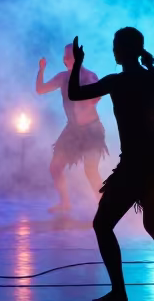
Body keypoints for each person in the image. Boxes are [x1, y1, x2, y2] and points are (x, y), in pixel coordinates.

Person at [67, 28, 154, 301]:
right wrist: (150, 65)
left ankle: (119, 292)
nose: (113, 50)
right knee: (153, 224)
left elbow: (75, 93)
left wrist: (77, 64)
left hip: (138, 163)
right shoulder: (149, 78)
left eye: (116, 46)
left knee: (102, 224)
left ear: (122, 50)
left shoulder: (117, 81)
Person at [36, 44, 107, 212]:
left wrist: (90, 96)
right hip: (73, 130)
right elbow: (40, 90)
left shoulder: (89, 76)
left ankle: (106, 206)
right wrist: (41, 69)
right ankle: (65, 203)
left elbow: (96, 96)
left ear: (77, 58)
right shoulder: (63, 77)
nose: (64, 59)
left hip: (91, 130)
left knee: (90, 170)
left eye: (68, 56)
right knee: (55, 167)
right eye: (64, 56)